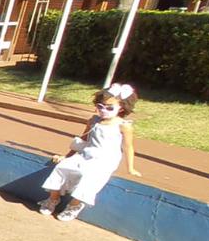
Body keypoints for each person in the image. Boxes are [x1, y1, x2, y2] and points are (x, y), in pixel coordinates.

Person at [38, 84, 142, 222]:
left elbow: (128, 147)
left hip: (105, 160)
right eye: (101, 106)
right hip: (86, 154)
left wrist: (131, 168)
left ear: (121, 108)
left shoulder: (123, 126)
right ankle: (53, 199)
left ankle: (74, 206)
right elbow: (82, 140)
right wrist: (67, 156)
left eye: (110, 107)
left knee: (89, 177)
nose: (104, 110)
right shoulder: (94, 121)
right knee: (62, 167)